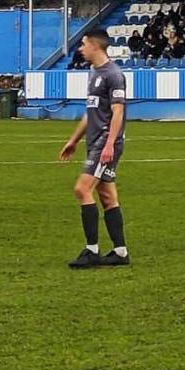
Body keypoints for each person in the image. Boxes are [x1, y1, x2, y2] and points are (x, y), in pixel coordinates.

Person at [61, 26, 131, 266]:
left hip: (105, 143)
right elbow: (90, 112)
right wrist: (73, 140)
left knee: (82, 189)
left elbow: (118, 111)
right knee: (107, 196)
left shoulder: (114, 74)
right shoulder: (94, 73)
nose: (80, 49)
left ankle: (92, 251)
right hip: (95, 142)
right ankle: (121, 253)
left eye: (82, 44)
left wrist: (110, 144)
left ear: (94, 45)